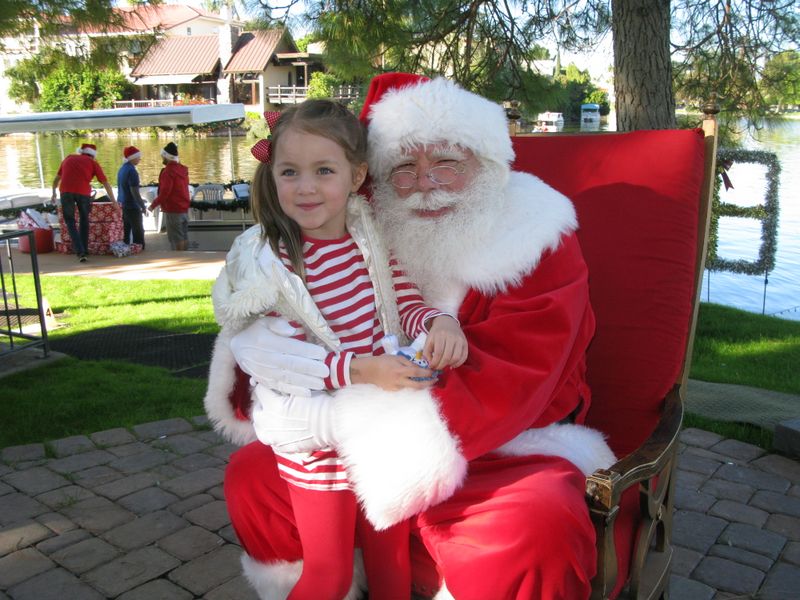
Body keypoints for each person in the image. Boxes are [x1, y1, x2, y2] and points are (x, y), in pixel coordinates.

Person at [205, 74, 617, 600]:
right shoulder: (361, 227)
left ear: (486, 162)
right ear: (372, 177)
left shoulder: (536, 238)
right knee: (252, 477)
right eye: (404, 167)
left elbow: (518, 372)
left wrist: (351, 423)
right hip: (353, 417)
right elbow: (274, 326)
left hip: (506, 442)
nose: (426, 181)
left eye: (446, 160)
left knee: (531, 526)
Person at [208, 99, 468, 600]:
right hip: (316, 438)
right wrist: (359, 369)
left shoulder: (368, 239)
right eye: (290, 172)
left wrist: (441, 322)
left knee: (390, 565)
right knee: (329, 575)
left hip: (379, 428)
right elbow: (274, 361)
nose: (305, 187)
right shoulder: (272, 265)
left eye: (323, 170)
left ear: (357, 174)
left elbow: (402, 303)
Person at [51, 143, 116, 262]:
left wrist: (53, 193)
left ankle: (80, 251)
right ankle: (84, 250)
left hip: (65, 191)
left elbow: (56, 180)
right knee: (84, 220)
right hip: (83, 192)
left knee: (70, 222)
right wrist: (114, 202)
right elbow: (105, 183)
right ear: (93, 155)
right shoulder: (93, 163)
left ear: (81, 152)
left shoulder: (68, 159)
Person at [149, 141, 190, 250]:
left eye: (163, 156)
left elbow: (165, 193)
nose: (162, 159)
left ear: (166, 156)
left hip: (173, 209)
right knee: (184, 236)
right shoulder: (183, 169)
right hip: (184, 208)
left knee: (176, 239)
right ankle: (185, 257)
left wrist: (153, 205)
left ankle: (179, 259)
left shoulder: (168, 172)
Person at [116, 146, 147, 248]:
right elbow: (134, 192)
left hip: (122, 204)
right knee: (138, 232)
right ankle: (140, 251)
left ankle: (125, 249)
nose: (140, 159)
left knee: (125, 232)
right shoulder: (132, 171)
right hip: (132, 206)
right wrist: (142, 206)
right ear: (132, 158)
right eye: (138, 157)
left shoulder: (121, 169)